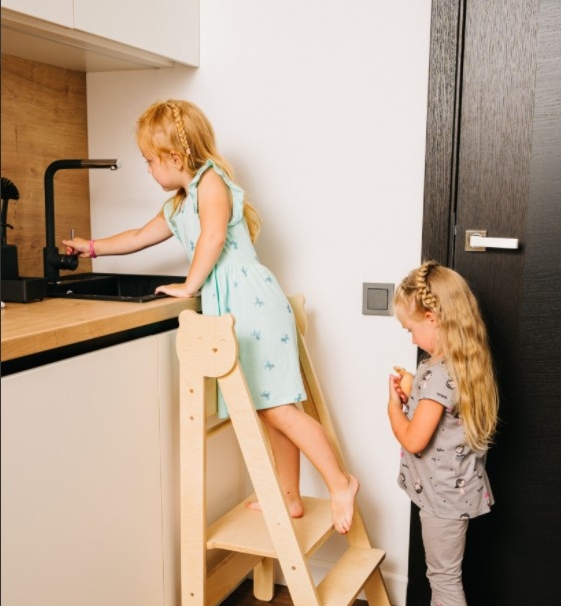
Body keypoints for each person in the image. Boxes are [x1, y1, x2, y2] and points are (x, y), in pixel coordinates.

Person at [63, 99, 358, 534]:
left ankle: (340, 482)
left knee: (280, 410)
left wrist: (189, 285)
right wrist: (92, 247)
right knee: (269, 408)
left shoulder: (211, 183)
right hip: (238, 311)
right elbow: (139, 237)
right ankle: (290, 498)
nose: (147, 168)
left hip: (254, 304)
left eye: (149, 160)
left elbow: (214, 237)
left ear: (175, 158)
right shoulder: (180, 204)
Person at [387, 260, 499, 606]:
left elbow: (415, 439)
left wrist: (394, 409)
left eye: (412, 329)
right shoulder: (461, 362)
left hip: (443, 499)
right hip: (448, 492)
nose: (412, 338)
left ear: (433, 318)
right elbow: (441, 410)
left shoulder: (436, 374)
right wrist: (414, 387)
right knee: (440, 571)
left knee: (445, 578)